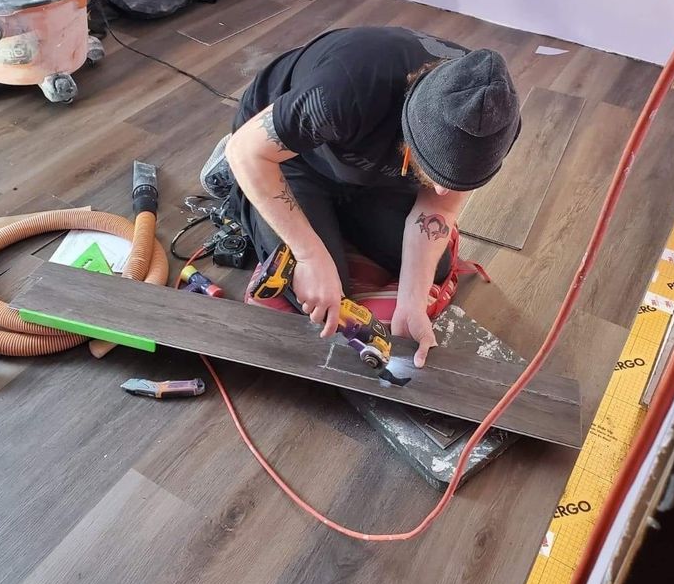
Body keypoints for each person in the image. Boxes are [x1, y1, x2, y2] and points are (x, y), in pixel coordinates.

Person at [200, 26, 521, 367]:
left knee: (434, 267)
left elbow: (440, 203)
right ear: (410, 125)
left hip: (369, 171)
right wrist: (309, 255)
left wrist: (412, 301)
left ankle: (333, 214)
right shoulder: (344, 90)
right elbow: (248, 151)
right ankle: (237, 177)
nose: (443, 190)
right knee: (324, 296)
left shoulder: (496, 123)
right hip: (290, 158)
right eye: (435, 172)